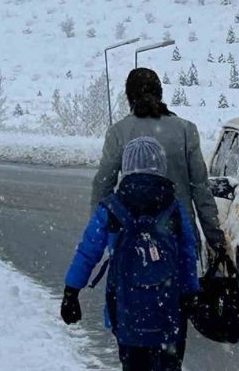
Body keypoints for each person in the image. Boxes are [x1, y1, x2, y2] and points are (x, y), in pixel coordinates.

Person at [62, 137, 200, 371]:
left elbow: (87, 252)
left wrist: (71, 292)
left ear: (126, 167)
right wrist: (191, 293)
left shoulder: (111, 207)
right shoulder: (174, 208)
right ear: (161, 166)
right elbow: (188, 253)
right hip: (169, 310)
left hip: (127, 312)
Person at [91, 68, 227, 261]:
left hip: (133, 239)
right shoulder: (185, 130)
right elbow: (201, 189)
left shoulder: (118, 133)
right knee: (186, 288)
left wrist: (98, 235)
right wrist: (216, 240)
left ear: (129, 97)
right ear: (160, 94)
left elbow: (103, 186)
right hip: (180, 236)